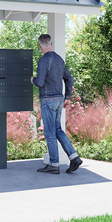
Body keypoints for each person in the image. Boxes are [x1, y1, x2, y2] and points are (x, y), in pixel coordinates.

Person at [31, 33, 83, 174]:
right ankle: (74, 157)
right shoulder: (59, 59)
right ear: (51, 44)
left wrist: (32, 80)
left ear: (39, 45)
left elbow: (40, 82)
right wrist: (68, 97)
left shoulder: (43, 60)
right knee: (58, 130)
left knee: (49, 133)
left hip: (48, 101)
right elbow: (69, 78)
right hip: (59, 101)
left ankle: (54, 165)